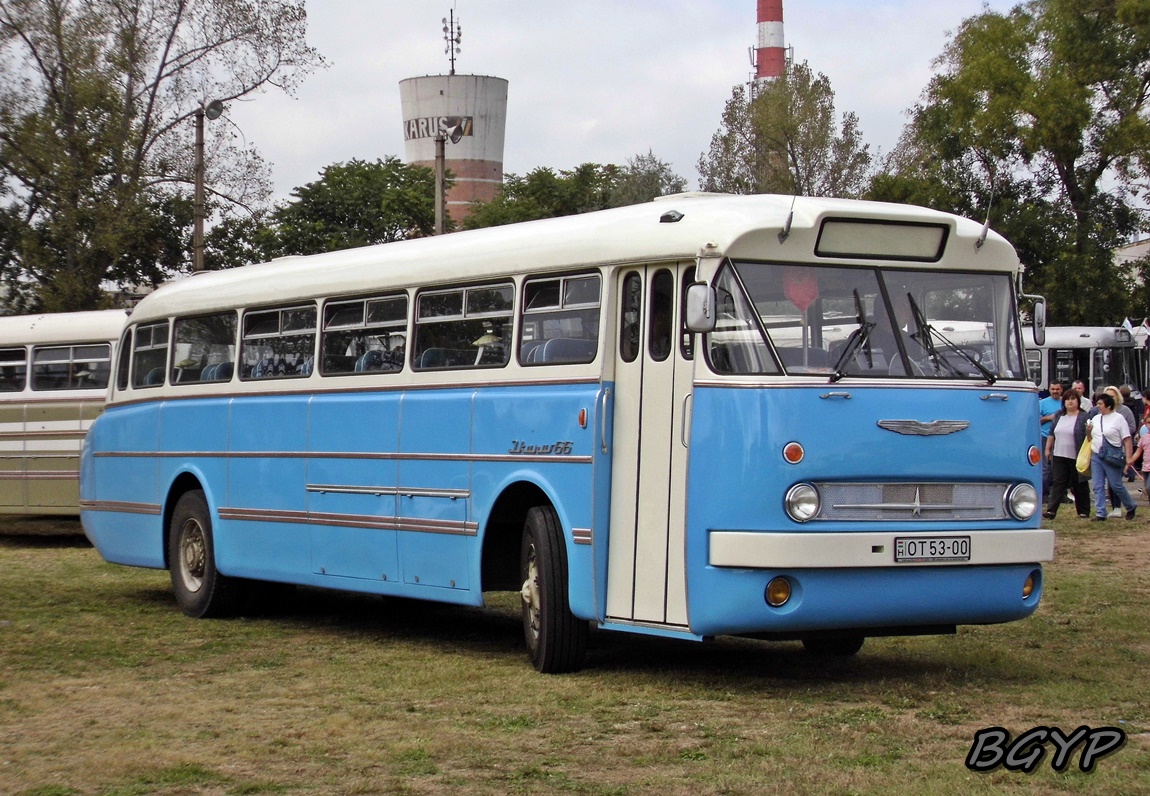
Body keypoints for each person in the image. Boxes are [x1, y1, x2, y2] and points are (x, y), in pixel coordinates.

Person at [1086, 392, 1137, 521]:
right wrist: (1088, 431)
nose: (1097, 406)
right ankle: (1100, 512)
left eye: (1100, 404)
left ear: (1108, 406)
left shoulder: (1118, 418)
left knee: (1115, 485)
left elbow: (1126, 439)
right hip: (1097, 454)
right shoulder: (1096, 418)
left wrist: (1128, 458)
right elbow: (1089, 438)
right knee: (1097, 485)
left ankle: (1130, 506)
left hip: (1112, 454)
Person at [1042, 388, 1091, 519]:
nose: (1070, 402)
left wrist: (1089, 431)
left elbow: (1089, 436)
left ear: (1078, 401)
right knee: (1058, 482)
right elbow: (1052, 433)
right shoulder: (1059, 415)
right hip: (1059, 454)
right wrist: (1047, 449)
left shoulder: (1083, 416)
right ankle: (1051, 510)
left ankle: (1083, 511)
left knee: (1079, 483)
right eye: (1067, 399)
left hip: (1076, 455)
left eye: (1073, 399)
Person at [1038, 382, 1064, 498]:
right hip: (1045, 437)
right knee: (1046, 467)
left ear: (1061, 390)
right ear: (1049, 390)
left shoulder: (1066, 402)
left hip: (1062, 439)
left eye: (1057, 389)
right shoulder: (1042, 403)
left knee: (1059, 468)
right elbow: (1035, 420)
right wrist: (1050, 418)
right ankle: (1044, 494)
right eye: (1053, 389)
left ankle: (1059, 494)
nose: (1055, 391)